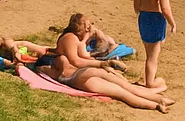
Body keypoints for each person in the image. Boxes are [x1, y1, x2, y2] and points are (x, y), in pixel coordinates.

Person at [43, 14, 172, 111]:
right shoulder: (70, 38)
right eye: (87, 27)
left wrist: (87, 40)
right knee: (124, 90)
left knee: (124, 90)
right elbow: (76, 60)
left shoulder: (73, 40)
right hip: (79, 75)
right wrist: (102, 64)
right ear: (79, 29)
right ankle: (158, 102)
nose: (89, 30)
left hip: (82, 75)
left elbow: (82, 56)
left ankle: (159, 101)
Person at [133, 0, 176, 90]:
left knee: (150, 52)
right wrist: (172, 23)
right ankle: (151, 83)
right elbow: (165, 8)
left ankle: (149, 79)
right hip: (156, 19)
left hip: (143, 17)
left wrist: (138, 12)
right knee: (153, 57)